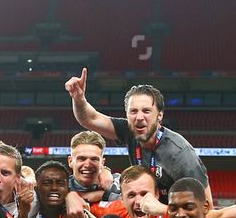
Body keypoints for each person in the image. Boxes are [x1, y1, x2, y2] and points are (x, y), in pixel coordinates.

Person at [66, 70, 210, 198]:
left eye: (146, 111)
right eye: (133, 111)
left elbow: (205, 205)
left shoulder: (179, 153)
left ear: (159, 115)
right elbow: (90, 119)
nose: (139, 117)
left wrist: (160, 211)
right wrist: (79, 99)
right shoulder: (129, 130)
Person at [14, 160, 88, 218]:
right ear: (36, 189)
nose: (54, 188)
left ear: (67, 189)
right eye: (47, 183)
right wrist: (23, 213)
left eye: (60, 183)